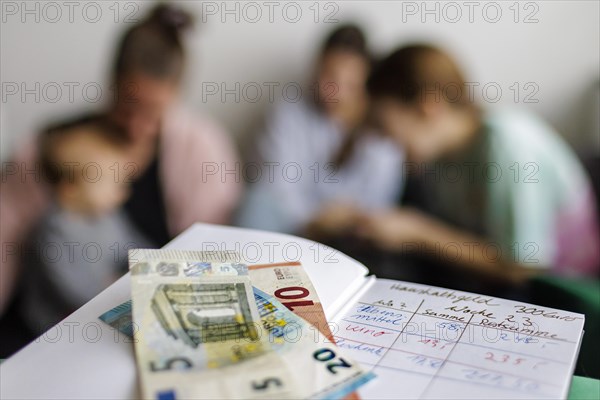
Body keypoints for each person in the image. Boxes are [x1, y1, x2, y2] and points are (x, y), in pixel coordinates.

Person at [0, 4, 241, 315]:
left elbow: (209, 248)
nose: (136, 126)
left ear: (176, 96)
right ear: (111, 83)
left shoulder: (200, 147)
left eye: (152, 114)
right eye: (127, 108)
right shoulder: (53, 145)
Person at [360, 44, 600, 286]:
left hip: (567, 290)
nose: (385, 140)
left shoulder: (507, 144)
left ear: (428, 106)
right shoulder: (439, 159)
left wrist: (417, 233)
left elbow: (523, 266)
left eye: (384, 125)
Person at [237, 24, 404, 238]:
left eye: (348, 83)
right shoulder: (289, 111)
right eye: (329, 77)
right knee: (257, 201)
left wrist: (342, 219)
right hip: (292, 224)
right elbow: (276, 185)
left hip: (351, 234)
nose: (334, 91)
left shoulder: (381, 127)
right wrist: (314, 221)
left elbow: (380, 204)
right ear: (315, 68)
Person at [21, 117, 151, 333]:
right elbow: (73, 291)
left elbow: (132, 244)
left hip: (106, 296)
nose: (123, 190)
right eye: (113, 182)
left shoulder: (107, 214)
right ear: (70, 188)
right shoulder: (54, 233)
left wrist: (154, 262)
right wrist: (115, 292)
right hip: (60, 322)